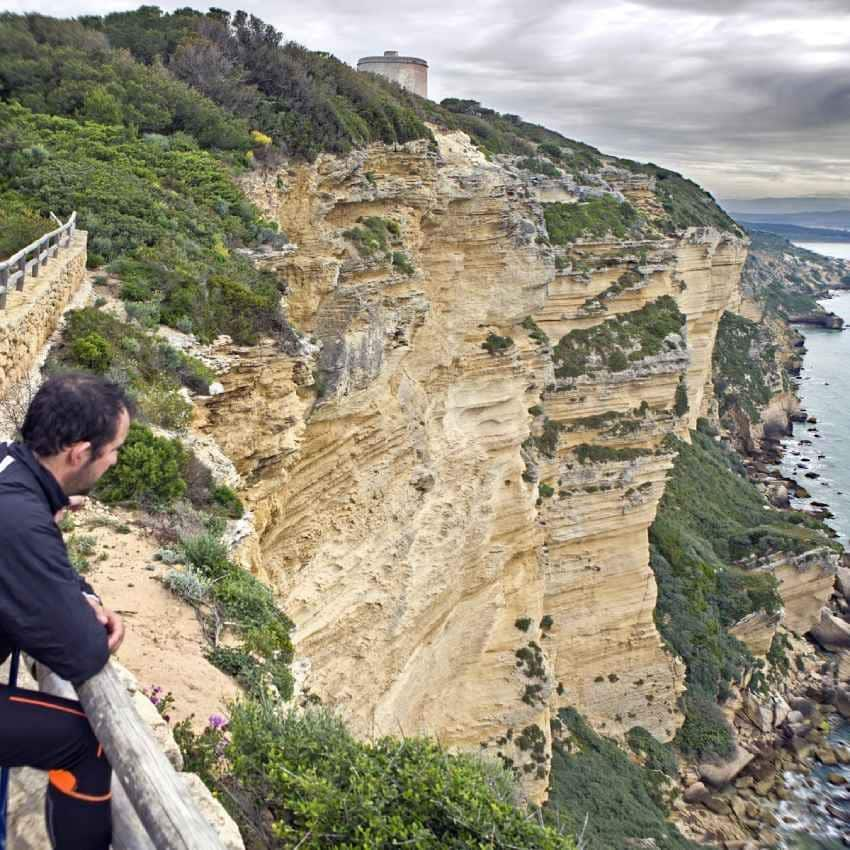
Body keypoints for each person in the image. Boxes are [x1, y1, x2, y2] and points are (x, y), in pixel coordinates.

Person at [0, 373, 133, 850]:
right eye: (115, 449)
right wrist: (88, 615)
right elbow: (82, 652)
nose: (117, 460)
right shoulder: (20, 521)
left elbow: (41, 564)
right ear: (79, 453)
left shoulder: (10, 469)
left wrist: (86, 595)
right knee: (86, 744)